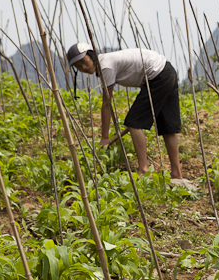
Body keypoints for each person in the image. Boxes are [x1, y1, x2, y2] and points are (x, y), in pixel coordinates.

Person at [67, 43, 184, 180]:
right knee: (167, 127)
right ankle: (176, 174)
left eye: (84, 61)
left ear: (91, 55)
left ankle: (144, 169)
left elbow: (107, 103)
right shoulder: (106, 62)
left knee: (134, 122)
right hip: (167, 71)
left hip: (157, 75)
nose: (84, 68)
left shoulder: (105, 66)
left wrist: (105, 137)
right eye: (79, 67)